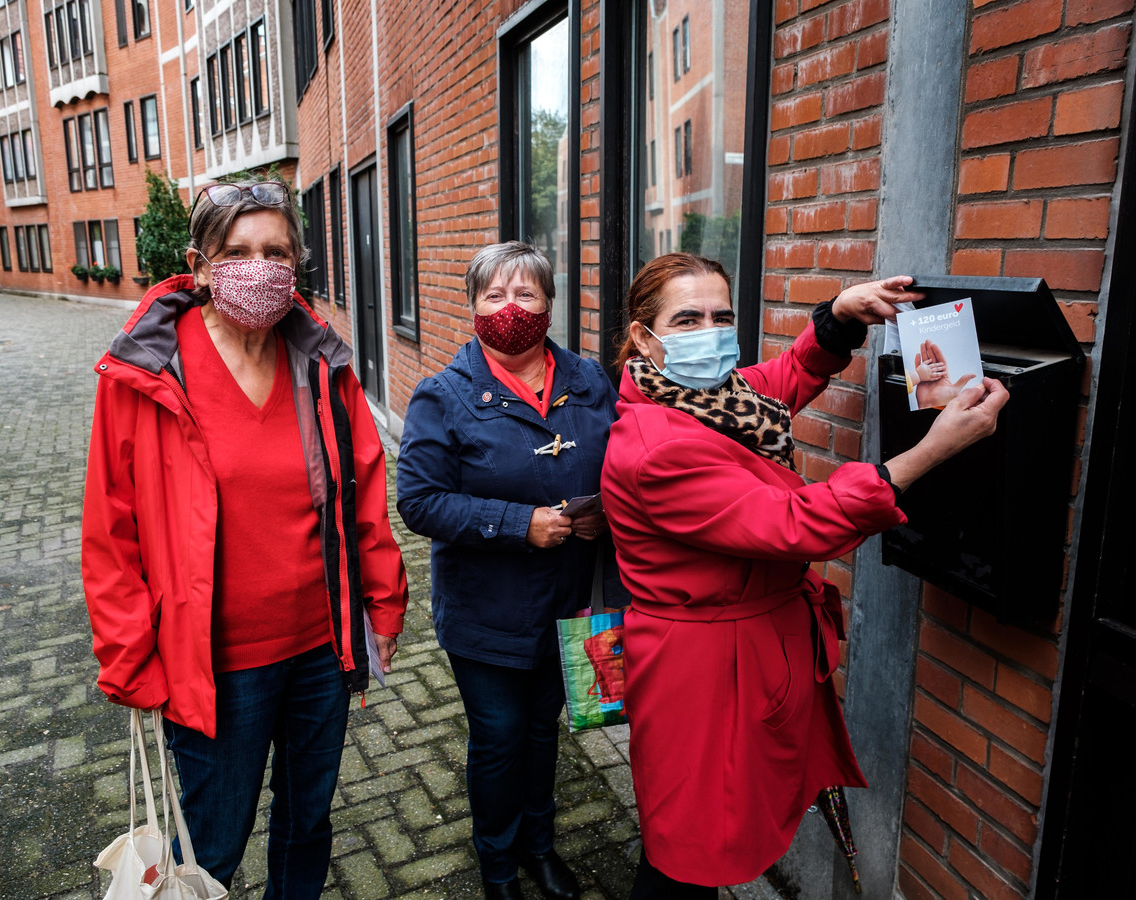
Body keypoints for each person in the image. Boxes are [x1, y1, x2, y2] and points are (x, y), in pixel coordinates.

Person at [600, 253, 1008, 898]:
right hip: (704, 670)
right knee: (689, 845)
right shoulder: (659, 447)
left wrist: (840, 317)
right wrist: (930, 450)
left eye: (721, 317)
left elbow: (779, 381)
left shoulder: (704, 397)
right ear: (644, 337)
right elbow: (795, 523)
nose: (710, 331)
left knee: (708, 822)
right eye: (687, 320)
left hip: (741, 651)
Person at [81, 178, 409, 898]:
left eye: (276, 252)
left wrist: (383, 605)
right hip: (215, 662)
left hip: (321, 648)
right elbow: (110, 530)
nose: (258, 268)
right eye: (236, 252)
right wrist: (130, 659)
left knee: (307, 824)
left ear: (296, 265)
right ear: (199, 266)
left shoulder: (320, 361)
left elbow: (364, 493)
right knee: (211, 844)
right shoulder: (148, 372)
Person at [396, 241, 624, 900]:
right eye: (494, 295)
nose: (510, 307)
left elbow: (625, 462)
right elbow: (419, 501)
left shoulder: (589, 381)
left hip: (569, 600)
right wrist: (520, 523)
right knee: (499, 740)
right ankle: (497, 865)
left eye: (525, 293)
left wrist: (606, 512)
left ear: (550, 302)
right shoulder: (444, 395)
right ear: (473, 306)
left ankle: (538, 845)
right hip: (486, 610)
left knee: (542, 730)